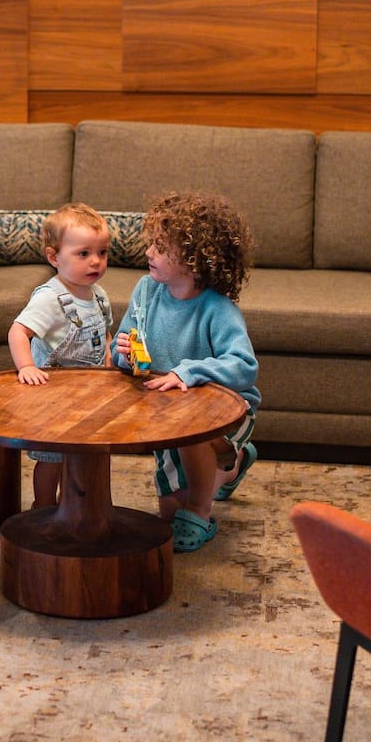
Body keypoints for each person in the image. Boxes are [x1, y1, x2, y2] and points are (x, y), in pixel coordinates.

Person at [113, 190, 260, 553]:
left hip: (222, 408)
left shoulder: (217, 309)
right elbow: (125, 336)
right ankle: (231, 465)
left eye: (161, 248)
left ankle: (203, 509)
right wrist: (124, 353)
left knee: (192, 488)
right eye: (153, 243)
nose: (149, 253)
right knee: (167, 514)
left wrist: (186, 372)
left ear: (195, 261)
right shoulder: (146, 291)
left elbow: (244, 367)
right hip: (167, 407)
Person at [8, 203, 116, 508]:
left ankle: (74, 506)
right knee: (52, 458)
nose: (96, 262)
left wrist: (108, 356)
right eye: (83, 254)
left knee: (81, 455)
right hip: (53, 397)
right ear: (54, 257)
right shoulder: (50, 298)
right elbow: (18, 332)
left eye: (103, 253)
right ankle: (43, 506)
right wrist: (26, 366)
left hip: (88, 393)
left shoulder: (98, 293)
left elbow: (104, 331)